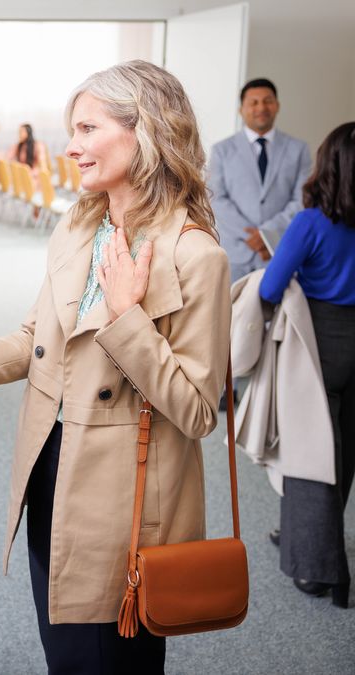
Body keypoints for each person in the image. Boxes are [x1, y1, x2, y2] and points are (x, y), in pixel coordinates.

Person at [0, 60, 231, 672]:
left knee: (112, 662)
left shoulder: (197, 256)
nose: (71, 147)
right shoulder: (79, 224)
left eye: (87, 129)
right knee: (66, 654)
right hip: (51, 467)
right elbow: (40, 337)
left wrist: (124, 318)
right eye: (71, 130)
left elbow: (196, 411)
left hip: (124, 496)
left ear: (144, 132)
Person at [259, 121, 355, 608]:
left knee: (309, 455)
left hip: (320, 348)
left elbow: (269, 289)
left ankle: (318, 569)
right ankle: (313, 539)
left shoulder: (312, 222)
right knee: (344, 450)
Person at [209, 77, 311, 281]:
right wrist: (253, 237)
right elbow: (216, 198)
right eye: (253, 102)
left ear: (277, 105)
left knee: (276, 312)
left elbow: (302, 199)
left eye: (267, 101)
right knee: (231, 312)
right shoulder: (221, 150)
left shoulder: (298, 149)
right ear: (241, 109)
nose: (261, 107)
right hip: (235, 254)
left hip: (279, 252)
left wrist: (267, 234)